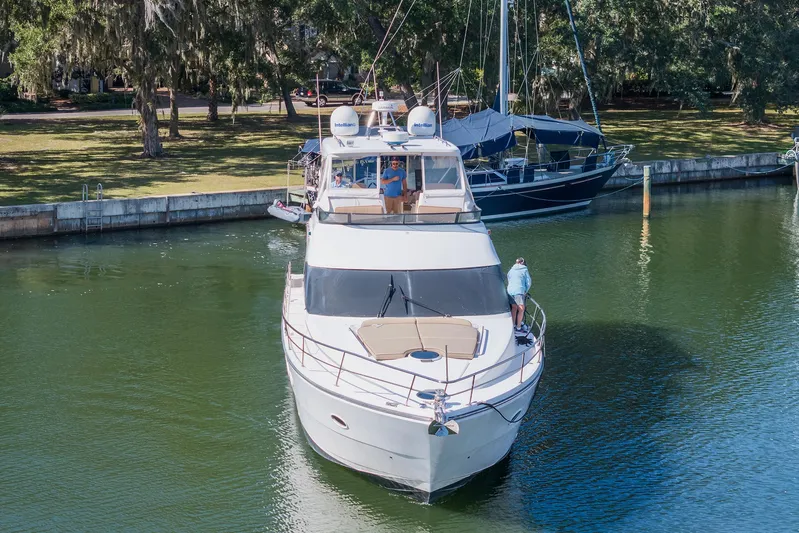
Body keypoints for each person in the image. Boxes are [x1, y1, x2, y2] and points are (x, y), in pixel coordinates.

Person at [507, 257, 532, 333]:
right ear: (523, 263)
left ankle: (512, 326)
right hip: (519, 291)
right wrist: (525, 291)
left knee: (514, 308)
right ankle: (518, 327)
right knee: (521, 309)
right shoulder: (524, 269)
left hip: (510, 291)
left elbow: (508, 278)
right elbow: (529, 282)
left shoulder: (511, 270)